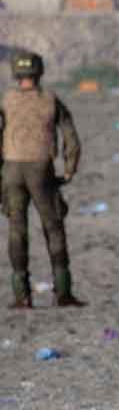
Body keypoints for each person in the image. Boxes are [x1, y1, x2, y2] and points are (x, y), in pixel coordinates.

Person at [1, 51, 85, 308]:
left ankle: (21, 294)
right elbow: (71, 137)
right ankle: (63, 291)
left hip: (11, 168)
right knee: (53, 227)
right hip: (41, 169)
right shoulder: (51, 99)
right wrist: (69, 169)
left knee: (17, 230)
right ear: (39, 72)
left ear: (16, 74)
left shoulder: (6, 100)